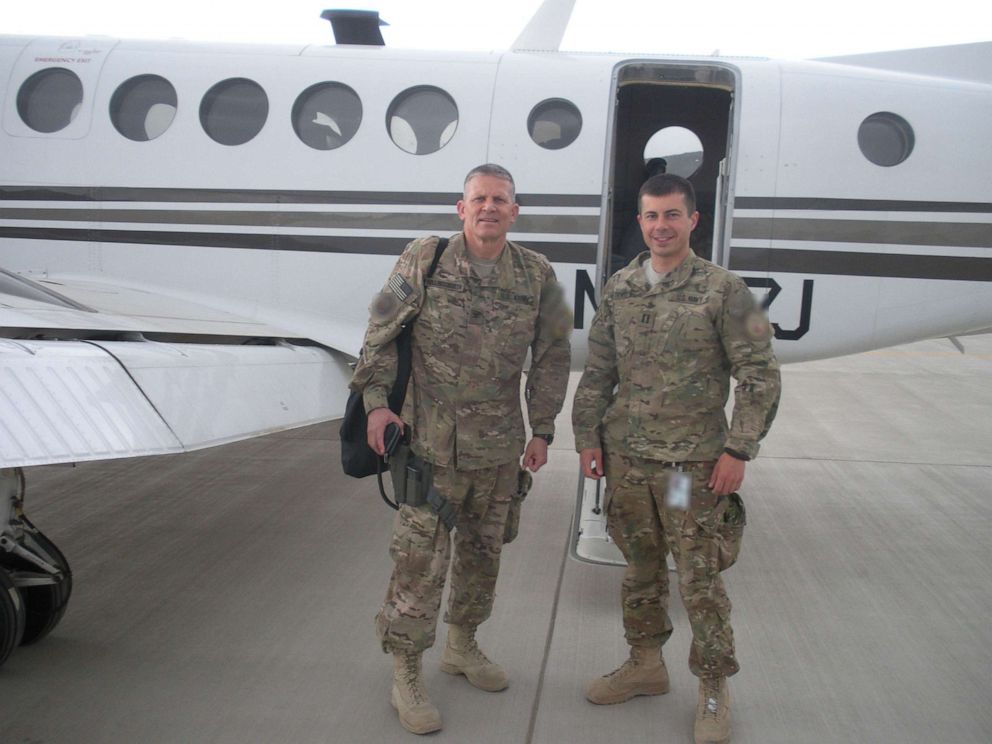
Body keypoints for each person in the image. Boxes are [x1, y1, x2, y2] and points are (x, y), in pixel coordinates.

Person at [350, 163, 571, 735]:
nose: (489, 207)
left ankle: (462, 645)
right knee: (419, 562)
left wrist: (542, 429)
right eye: (480, 199)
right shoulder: (425, 259)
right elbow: (379, 330)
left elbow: (551, 358)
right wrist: (377, 402)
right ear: (461, 207)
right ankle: (406, 671)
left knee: (483, 557)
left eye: (500, 199)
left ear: (515, 211)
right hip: (429, 445)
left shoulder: (539, 276)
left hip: (498, 451)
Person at [572, 174, 780, 744]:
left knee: (697, 575)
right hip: (628, 464)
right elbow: (598, 372)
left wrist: (739, 449)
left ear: (693, 220)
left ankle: (713, 686)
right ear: (639, 222)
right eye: (650, 216)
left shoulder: (727, 291)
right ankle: (645, 665)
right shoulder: (618, 288)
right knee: (639, 568)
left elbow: (759, 376)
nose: (660, 226)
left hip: (688, 470)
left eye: (671, 215)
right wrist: (587, 438)